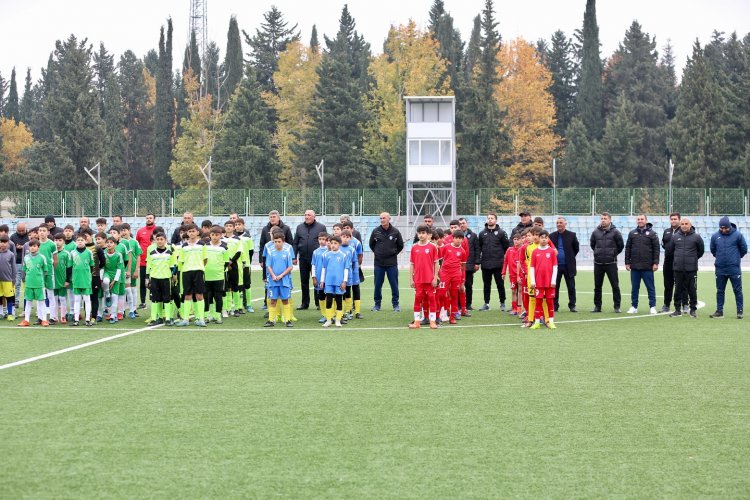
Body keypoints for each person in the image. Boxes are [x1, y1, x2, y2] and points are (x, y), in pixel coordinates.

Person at [709, 216, 747, 319]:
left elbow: (744, 249)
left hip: (734, 268)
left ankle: (739, 311)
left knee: (737, 290)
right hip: (720, 268)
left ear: (729, 226)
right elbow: (713, 250)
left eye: (725, 228)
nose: (724, 230)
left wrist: (735, 259)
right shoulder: (715, 236)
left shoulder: (738, 235)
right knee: (720, 290)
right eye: (721, 228)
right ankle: (719, 311)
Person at [667, 217, 704, 318]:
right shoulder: (675, 237)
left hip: (691, 269)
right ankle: (677, 310)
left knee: (692, 289)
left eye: (686, 224)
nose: (684, 226)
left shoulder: (696, 237)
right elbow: (671, 250)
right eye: (682, 224)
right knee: (678, 289)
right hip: (678, 268)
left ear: (690, 225)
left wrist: (692, 259)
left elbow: (700, 251)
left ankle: (693, 310)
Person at [624, 214, 660, 315]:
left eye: (642, 219)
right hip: (634, 266)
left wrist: (655, 263)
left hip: (647, 267)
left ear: (646, 220)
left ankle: (652, 307)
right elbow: (628, 248)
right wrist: (627, 262)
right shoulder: (632, 233)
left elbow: (656, 249)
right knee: (634, 288)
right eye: (638, 219)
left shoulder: (652, 234)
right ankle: (634, 306)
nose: (640, 221)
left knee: (650, 287)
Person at [369, 212, 404, 312]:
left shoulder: (395, 232)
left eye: (384, 218)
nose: (382, 220)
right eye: (380, 218)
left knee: (394, 284)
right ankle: (377, 304)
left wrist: (393, 253)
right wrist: (378, 253)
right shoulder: (376, 231)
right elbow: (371, 244)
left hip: (392, 263)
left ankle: (396, 305)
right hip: (379, 263)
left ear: (389, 219)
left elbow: (400, 245)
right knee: (377, 285)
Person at [259, 210, 294, 309]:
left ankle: (287, 313)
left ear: (278, 217)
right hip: (270, 264)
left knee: (286, 288)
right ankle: (268, 305)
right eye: (271, 217)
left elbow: (290, 242)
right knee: (269, 283)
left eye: (274, 216)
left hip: (284, 265)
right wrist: (261, 260)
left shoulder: (286, 228)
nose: (272, 218)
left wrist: (293, 258)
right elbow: (262, 244)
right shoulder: (265, 230)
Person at [590, 212, 624, 313]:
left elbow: (620, 246)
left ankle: (617, 307)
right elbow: (593, 245)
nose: (603, 220)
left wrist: (612, 254)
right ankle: (597, 306)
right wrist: (598, 253)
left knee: (615, 286)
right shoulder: (595, 232)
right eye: (602, 218)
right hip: (598, 263)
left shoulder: (616, 232)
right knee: (597, 286)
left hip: (611, 263)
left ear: (610, 220)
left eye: (605, 218)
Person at [293, 210, 327, 310]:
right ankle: (305, 303)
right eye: (305, 215)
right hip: (303, 258)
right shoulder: (299, 227)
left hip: (317, 260)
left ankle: (318, 303)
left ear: (314, 216)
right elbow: (295, 243)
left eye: (309, 215)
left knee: (317, 280)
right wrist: (294, 257)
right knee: (304, 281)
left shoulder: (321, 227)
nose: (306, 217)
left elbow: (326, 240)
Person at [408, 225, 439, 329]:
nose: (421, 235)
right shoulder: (414, 247)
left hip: (430, 279)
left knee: (431, 299)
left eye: (423, 233)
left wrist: (435, 277)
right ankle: (417, 322)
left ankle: (432, 321)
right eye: (419, 233)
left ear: (427, 234)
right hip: (418, 279)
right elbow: (412, 264)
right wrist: (411, 279)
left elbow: (436, 263)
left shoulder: (432, 247)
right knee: (417, 299)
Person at [477, 213, 510, 311]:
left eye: (492, 218)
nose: (490, 220)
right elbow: (479, 248)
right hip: (486, 264)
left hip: (498, 264)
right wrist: (478, 261)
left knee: (500, 284)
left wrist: (502, 259)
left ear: (496, 220)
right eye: (489, 218)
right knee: (486, 285)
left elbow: (506, 247)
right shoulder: (482, 233)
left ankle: (502, 303)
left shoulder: (501, 233)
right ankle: (486, 303)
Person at [264, 233, 296, 328]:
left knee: (285, 300)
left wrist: (281, 275)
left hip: (284, 281)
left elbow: (290, 267)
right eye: (275, 242)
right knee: (273, 300)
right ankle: (271, 320)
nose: (277, 244)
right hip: (273, 281)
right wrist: (273, 275)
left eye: (279, 242)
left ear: (283, 242)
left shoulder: (287, 253)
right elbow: (268, 266)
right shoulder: (271, 253)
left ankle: (287, 320)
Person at [549, 217, 579, 313]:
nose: (559, 224)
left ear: (565, 223)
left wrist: (569, 256)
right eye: (557, 223)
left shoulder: (572, 235)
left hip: (568, 265)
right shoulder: (552, 236)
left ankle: (572, 305)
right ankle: (554, 305)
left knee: (571, 286)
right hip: (555, 266)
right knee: (555, 286)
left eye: (561, 222)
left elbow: (576, 248)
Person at [146, 231, 176, 326]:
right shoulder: (151, 253)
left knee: (167, 299)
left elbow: (173, 266)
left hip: (166, 278)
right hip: (154, 278)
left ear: (165, 240)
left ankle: (168, 318)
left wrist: (174, 276)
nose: (159, 241)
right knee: (155, 299)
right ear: (155, 241)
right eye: (157, 239)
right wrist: (147, 278)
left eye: (161, 239)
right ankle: (155, 318)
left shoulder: (170, 252)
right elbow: (149, 266)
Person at [529, 230, 558, 329]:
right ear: (539, 238)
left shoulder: (551, 251)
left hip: (549, 282)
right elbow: (532, 267)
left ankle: (551, 322)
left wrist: (553, 280)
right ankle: (537, 322)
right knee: (538, 301)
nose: (544, 239)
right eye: (542, 237)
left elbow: (555, 267)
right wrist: (533, 281)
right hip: (538, 281)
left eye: (546, 237)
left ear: (548, 239)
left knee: (550, 301)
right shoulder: (535, 252)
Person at [18, 239, 50, 327]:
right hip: (29, 284)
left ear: (38, 247)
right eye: (31, 246)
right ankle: (26, 320)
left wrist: (40, 279)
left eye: (34, 246)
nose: (32, 248)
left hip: (39, 284)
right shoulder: (26, 257)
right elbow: (24, 270)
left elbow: (45, 271)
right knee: (28, 302)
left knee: (41, 302)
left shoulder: (42, 257)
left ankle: (44, 320)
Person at [439, 230, 467, 325]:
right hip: (445, 274)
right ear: (453, 238)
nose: (458, 240)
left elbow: (463, 267)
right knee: (441, 294)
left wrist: (462, 279)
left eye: (460, 238)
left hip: (456, 275)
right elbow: (438, 260)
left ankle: (452, 316)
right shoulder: (446, 247)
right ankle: (439, 315)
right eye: (456, 238)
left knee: (454, 295)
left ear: (462, 240)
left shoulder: (462, 251)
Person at [203, 226, 229, 324]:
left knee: (218, 296)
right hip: (207, 275)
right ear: (210, 235)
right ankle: (207, 315)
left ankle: (218, 316)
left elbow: (226, 262)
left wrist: (220, 270)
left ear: (221, 235)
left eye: (217, 235)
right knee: (207, 296)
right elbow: (203, 259)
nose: (214, 237)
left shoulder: (224, 247)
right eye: (212, 235)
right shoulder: (205, 246)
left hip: (218, 276)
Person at [69, 235, 95, 327]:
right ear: (76, 242)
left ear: (85, 241)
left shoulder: (89, 252)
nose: (80, 241)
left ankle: (87, 319)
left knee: (87, 300)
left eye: (82, 240)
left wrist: (88, 276)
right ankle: (76, 320)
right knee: (77, 300)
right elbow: (69, 266)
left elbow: (92, 266)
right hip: (76, 280)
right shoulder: (72, 253)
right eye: (78, 240)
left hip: (86, 280)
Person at [37, 224, 59, 323]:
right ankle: (40, 317)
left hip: (49, 273)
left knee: (50, 295)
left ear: (48, 232)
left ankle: (53, 317)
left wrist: (50, 271)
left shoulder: (51, 244)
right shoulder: (36, 244)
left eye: (44, 230)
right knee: (39, 295)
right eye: (40, 230)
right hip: (38, 274)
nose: (41, 232)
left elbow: (55, 260)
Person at [661, 212, 683, 313]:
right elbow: (663, 245)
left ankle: (682, 305)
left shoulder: (683, 231)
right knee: (668, 285)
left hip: (679, 262)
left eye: (675, 219)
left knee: (680, 285)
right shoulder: (666, 231)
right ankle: (666, 305)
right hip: (668, 262)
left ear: (679, 219)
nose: (673, 221)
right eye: (672, 219)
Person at [101, 237, 125, 324]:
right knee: (106, 281)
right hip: (107, 273)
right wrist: (101, 279)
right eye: (107, 242)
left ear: (115, 244)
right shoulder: (103, 254)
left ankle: (113, 315)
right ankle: (107, 295)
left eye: (111, 242)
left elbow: (119, 269)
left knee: (115, 296)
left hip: (116, 275)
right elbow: (102, 267)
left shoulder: (119, 255)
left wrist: (115, 280)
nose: (109, 244)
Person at [136, 212, 157, 309]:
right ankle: (143, 302)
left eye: (150, 218)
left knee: (154, 282)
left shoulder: (157, 231)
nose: (149, 219)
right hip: (143, 262)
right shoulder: (140, 231)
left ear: (154, 219)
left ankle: (154, 299)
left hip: (155, 262)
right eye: (147, 218)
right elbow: (138, 245)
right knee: (143, 283)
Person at [458, 218, 479, 311]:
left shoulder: (473, 235)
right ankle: (459, 304)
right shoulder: (455, 236)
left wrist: (477, 262)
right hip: (458, 266)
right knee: (458, 286)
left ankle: (468, 304)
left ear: (467, 224)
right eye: (460, 224)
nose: (462, 225)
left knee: (469, 285)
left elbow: (477, 249)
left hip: (469, 265)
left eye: (463, 223)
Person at [52, 234, 71, 324]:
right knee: (54, 299)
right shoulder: (51, 253)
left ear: (63, 241)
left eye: (60, 240)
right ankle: (55, 317)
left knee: (62, 299)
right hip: (52, 279)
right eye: (56, 240)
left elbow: (69, 268)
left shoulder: (66, 253)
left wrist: (67, 280)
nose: (57, 242)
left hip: (62, 280)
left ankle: (63, 316)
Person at [311, 233, 330, 323]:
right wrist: (314, 277)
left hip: (329, 278)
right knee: (321, 296)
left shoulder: (330, 251)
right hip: (319, 278)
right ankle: (324, 314)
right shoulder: (316, 252)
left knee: (330, 296)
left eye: (324, 239)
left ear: (327, 241)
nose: (321, 241)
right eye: (320, 239)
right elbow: (313, 265)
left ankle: (331, 314)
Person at [10, 222, 27, 307]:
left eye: (22, 230)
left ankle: (27, 302)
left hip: (27, 263)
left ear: (25, 228)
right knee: (16, 283)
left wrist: (23, 247)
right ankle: (16, 302)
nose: (21, 232)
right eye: (19, 230)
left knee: (26, 284)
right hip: (16, 262)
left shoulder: (29, 236)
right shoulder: (13, 236)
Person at [0, 236, 17, 321]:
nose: (2, 244)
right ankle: (1, 313)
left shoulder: (11, 254)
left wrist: (13, 279)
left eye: (5, 242)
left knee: (9, 297)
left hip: (8, 280)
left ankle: (10, 314)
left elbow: (14, 268)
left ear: (8, 243)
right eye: (1, 242)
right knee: (0, 297)